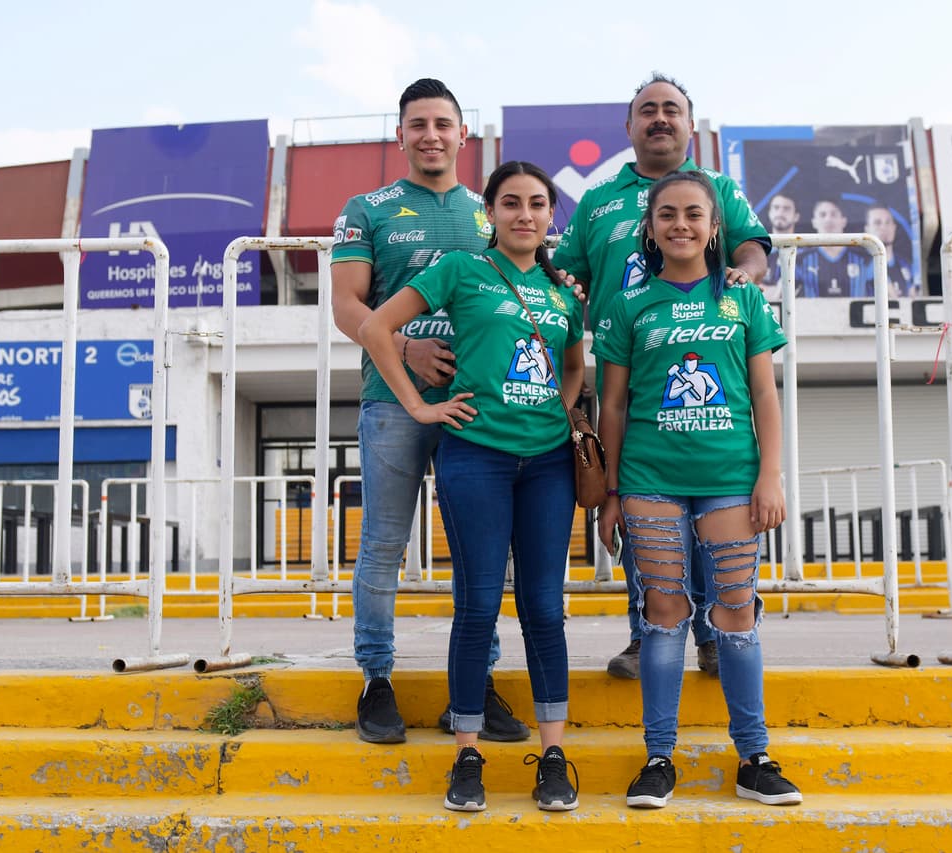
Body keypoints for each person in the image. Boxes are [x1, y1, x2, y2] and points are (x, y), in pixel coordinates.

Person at [362, 161, 585, 813]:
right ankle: (467, 756)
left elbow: (573, 367)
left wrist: (559, 416)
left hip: (547, 464)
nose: (524, 213)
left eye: (537, 203)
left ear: (551, 216)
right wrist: (422, 407)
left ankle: (551, 756)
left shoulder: (563, 290)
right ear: (488, 212)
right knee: (478, 603)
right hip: (475, 457)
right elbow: (379, 327)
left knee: (545, 607)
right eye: (510, 202)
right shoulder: (461, 270)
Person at [552, 72, 771, 681]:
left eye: (671, 109)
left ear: (689, 126)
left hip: (702, 360)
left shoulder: (718, 188)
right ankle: (646, 632)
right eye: (647, 110)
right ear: (629, 128)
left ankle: (710, 636)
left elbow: (753, 246)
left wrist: (744, 276)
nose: (659, 119)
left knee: (707, 507)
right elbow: (567, 275)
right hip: (626, 367)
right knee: (643, 503)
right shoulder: (597, 201)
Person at [593, 171, 802, 809]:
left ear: (715, 228)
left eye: (693, 215)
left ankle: (755, 758)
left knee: (736, 617)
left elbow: (765, 393)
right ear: (649, 229)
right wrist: (608, 493)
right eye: (667, 215)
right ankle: (658, 759)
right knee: (663, 617)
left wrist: (771, 476)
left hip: (730, 483)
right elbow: (616, 405)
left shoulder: (743, 300)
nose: (680, 224)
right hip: (650, 481)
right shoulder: (630, 305)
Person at [330, 78, 528, 746]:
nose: (431, 135)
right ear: (401, 135)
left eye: (443, 123)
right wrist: (408, 349)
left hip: (478, 408)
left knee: (480, 552)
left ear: (462, 135)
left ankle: (475, 684)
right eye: (418, 124)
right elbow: (348, 307)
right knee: (384, 543)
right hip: (392, 401)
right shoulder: (367, 208)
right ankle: (376, 678)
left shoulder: (488, 211)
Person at [795, 197, 870, 298]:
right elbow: (778, 297)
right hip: (812, 314)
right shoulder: (799, 260)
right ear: (814, 222)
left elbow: (891, 297)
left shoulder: (865, 259)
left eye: (833, 214)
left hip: (856, 314)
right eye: (822, 215)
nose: (828, 219)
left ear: (844, 221)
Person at [863, 204, 917, 297]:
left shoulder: (905, 264)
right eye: (877, 223)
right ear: (867, 229)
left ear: (894, 227)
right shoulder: (863, 264)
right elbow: (892, 299)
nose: (884, 227)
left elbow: (913, 297)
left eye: (888, 222)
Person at [762, 193, 799, 303]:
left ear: (796, 216)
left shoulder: (806, 253)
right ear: (769, 213)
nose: (780, 212)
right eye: (776, 207)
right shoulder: (757, 249)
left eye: (786, 209)